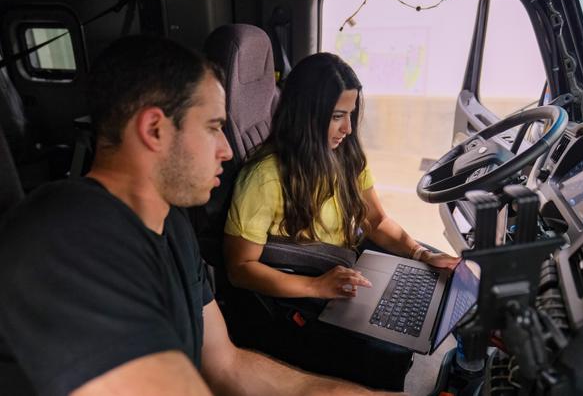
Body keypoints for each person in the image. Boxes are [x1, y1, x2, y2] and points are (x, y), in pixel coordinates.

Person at [0, 36, 398, 396]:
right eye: (213, 128)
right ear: (154, 129)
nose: (227, 150)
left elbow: (227, 366)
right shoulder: (64, 238)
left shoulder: (170, 226)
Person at [223, 52, 459, 389]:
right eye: (337, 117)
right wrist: (316, 286)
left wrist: (421, 254)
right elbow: (240, 268)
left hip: (342, 271)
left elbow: (376, 221)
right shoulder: (265, 178)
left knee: (428, 295)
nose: (348, 129)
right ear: (307, 115)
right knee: (389, 351)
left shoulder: (347, 158)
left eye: (350, 115)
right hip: (298, 295)